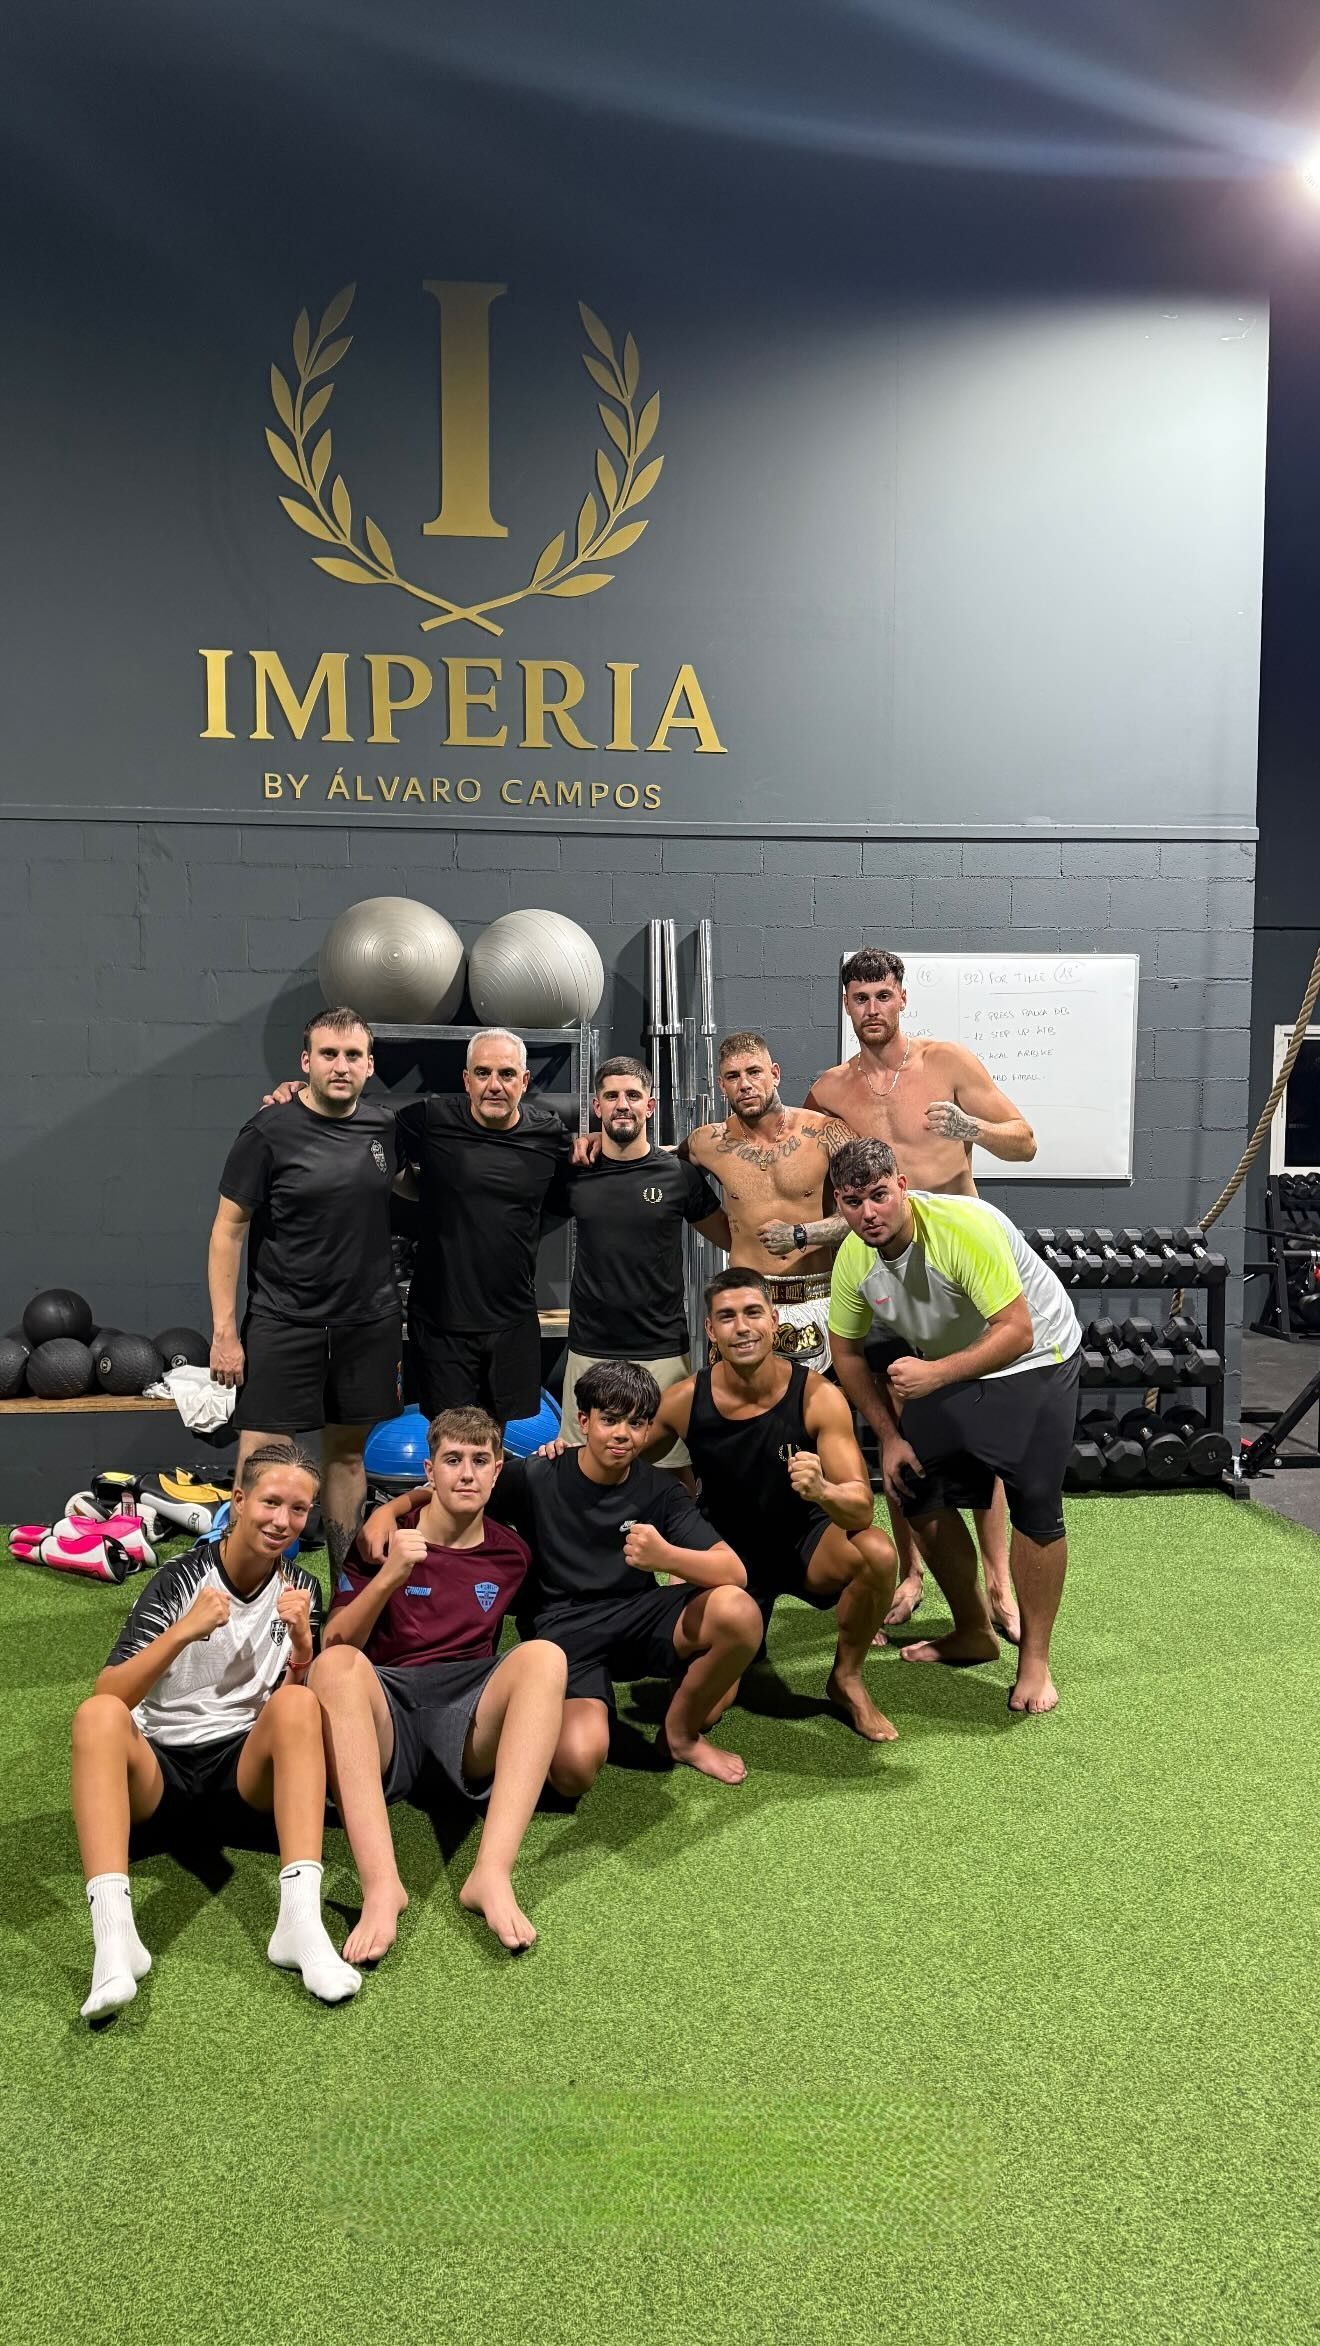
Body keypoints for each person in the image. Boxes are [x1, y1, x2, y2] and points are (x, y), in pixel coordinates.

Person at [361, 1360, 763, 1791]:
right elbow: (465, 1484)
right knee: (574, 1767)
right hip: (564, 1634)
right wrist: (392, 1508)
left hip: (638, 1619)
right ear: (583, 1422)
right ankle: (677, 1690)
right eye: (609, 1420)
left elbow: (733, 1571)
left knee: (738, 1612)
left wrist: (666, 1557)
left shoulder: (660, 1491)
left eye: (637, 1423)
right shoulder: (538, 1474)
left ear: (649, 1432)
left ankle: (682, 1736)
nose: (622, 1434)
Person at [69, 1442, 361, 2019]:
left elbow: (285, 1719)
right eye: (271, 1502)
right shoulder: (181, 1581)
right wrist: (184, 1632)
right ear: (239, 1498)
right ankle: (114, 1940)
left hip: (240, 1777)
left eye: (299, 1510)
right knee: (95, 1715)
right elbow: (111, 1694)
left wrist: (303, 1650)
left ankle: (299, 1926)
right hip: (160, 1773)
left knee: (301, 1707)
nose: (283, 1521)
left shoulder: (302, 1589)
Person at [804, 949, 1038, 1642]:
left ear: (902, 997)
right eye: (859, 998)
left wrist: (972, 1131)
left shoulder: (949, 1063)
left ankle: (998, 1582)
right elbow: (820, 1181)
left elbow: (1024, 1142)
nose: (872, 1008)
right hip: (885, 1280)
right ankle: (913, 1574)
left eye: (882, 994)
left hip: (961, 1276)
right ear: (846, 1006)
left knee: (981, 1437)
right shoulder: (830, 1092)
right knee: (899, 1431)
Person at [825, 1137, 1080, 1717]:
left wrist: (935, 1375)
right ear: (839, 1204)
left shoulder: (964, 1228)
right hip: (951, 1364)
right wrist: (890, 1437)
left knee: (1035, 1500)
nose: (869, 1213)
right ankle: (972, 1632)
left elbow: (1016, 1332)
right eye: (852, 1201)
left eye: (879, 1196)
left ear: (902, 1186)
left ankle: (1035, 1661)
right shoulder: (854, 1258)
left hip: (1037, 1356)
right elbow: (846, 1353)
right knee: (913, 1483)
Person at [309, 1407, 566, 1959]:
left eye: (480, 1461)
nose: (467, 1474)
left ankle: (490, 1875)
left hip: (466, 1713)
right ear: (431, 1470)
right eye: (453, 1460)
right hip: (389, 1709)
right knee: (333, 1669)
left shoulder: (513, 1554)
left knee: (546, 1657)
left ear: (499, 1471)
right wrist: (389, 1578)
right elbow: (335, 1644)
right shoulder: (382, 1541)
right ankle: (382, 1887)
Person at [649, 1268, 899, 1741]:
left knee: (877, 1552)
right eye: (726, 1317)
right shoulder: (683, 1401)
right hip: (726, 1555)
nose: (741, 1327)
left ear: (774, 1319)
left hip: (803, 1544)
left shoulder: (818, 1397)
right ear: (710, 1330)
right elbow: (620, 1460)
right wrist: (560, 1455)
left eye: (752, 1313)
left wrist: (823, 1491)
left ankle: (846, 1679)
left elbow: (860, 1510)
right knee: (701, 1713)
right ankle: (742, 1637)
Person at [210, 1007, 403, 1567]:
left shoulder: (385, 1128)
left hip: (366, 1322)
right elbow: (228, 1231)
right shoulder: (268, 1130)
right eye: (327, 1055)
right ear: (306, 1062)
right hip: (283, 1319)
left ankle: (344, 1587)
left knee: (345, 1457)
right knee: (264, 1460)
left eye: (351, 1056)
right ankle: (246, 1588)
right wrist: (225, 1331)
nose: (339, 1066)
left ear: (369, 1064)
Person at [394, 1028, 573, 1424]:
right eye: (483, 1073)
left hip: (512, 1321)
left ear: (525, 1082)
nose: (495, 1085)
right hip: (442, 1322)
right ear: (466, 1080)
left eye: (507, 1074)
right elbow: (354, 1123)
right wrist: (293, 1096)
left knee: (497, 1445)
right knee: (448, 1444)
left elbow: (562, 1201)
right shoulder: (429, 1120)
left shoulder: (550, 1136)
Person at [560, 1056, 729, 1474]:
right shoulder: (574, 1173)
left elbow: (732, 1238)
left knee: (672, 1474)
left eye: (633, 1095)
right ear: (596, 1106)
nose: (622, 1104)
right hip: (589, 1347)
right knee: (578, 1469)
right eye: (611, 1095)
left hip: (661, 1348)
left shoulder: (679, 1175)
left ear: (649, 1106)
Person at [679, 1033, 853, 1374]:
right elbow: (657, 1165)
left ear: (775, 1073)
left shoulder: (827, 1133)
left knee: (817, 1414)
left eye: (754, 1072)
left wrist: (802, 1234)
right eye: (733, 1076)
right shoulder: (706, 1142)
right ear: (721, 1085)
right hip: (745, 1299)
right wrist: (601, 1139)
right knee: (739, 1417)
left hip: (815, 1295)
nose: (744, 1084)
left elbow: (866, 1215)